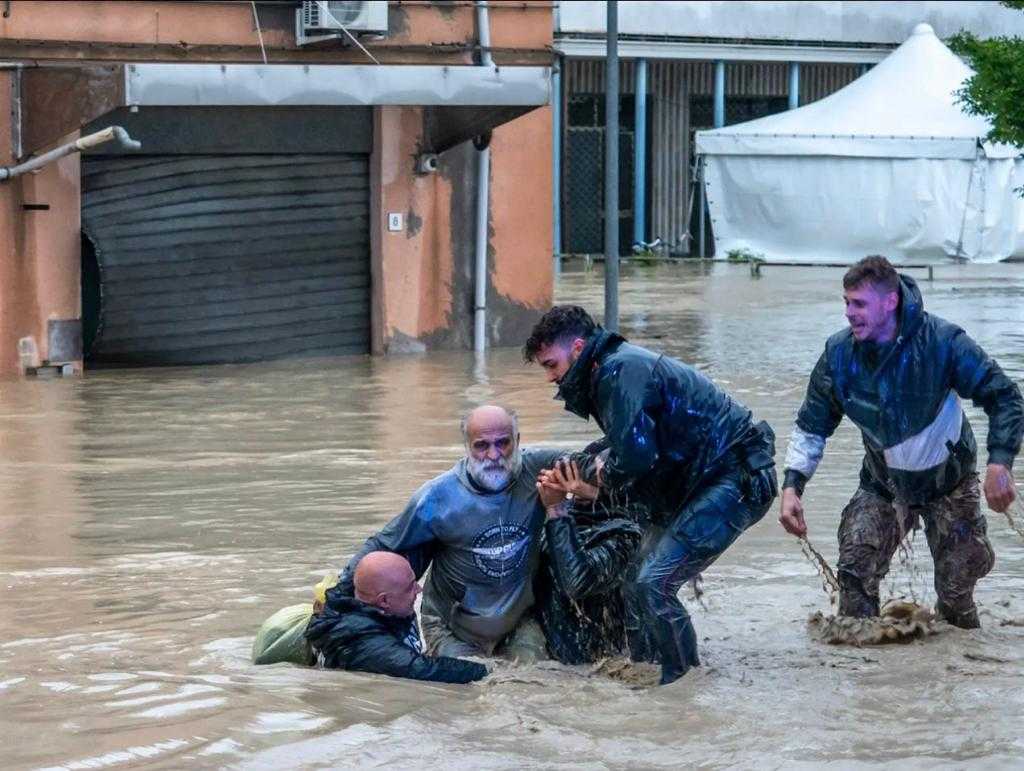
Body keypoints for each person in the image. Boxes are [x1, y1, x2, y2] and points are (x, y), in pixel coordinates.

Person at [523, 306, 779, 684]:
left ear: (577, 348)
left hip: (736, 477)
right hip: (702, 483)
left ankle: (681, 685)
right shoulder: (607, 370)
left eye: (551, 365)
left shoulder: (619, 371)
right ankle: (647, 672)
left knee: (652, 582)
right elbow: (631, 451)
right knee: (635, 580)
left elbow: (636, 457)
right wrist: (592, 478)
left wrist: (590, 482)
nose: (550, 378)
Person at [779, 255, 1024, 628]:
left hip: (950, 484)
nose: (849, 313)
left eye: (858, 303)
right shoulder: (839, 355)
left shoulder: (943, 343)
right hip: (883, 484)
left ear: (890, 301)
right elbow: (812, 424)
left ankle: (957, 665)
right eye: (846, 303)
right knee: (855, 567)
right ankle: (865, 671)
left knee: (956, 592)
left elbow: (1004, 398)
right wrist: (792, 487)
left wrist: (1000, 463)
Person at [327, 405, 564, 660]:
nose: (493, 455)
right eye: (481, 446)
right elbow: (385, 544)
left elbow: (596, 462)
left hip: (519, 621)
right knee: (471, 686)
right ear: (467, 447)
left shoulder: (539, 470)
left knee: (535, 681)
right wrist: (336, 595)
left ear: (517, 441)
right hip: (451, 629)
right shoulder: (437, 498)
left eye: (503, 443)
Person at [533, 447, 644, 665]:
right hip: (548, 658)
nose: (573, 479)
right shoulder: (563, 514)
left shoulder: (628, 534)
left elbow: (577, 582)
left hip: (596, 667)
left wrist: (557, 509)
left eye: (599, 475)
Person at [305, 551, 487, 683]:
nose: (419, 589)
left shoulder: (370, 599)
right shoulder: (365, 642)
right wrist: (489, 671)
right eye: (410, 587)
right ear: (383, 601)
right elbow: (421, 668)